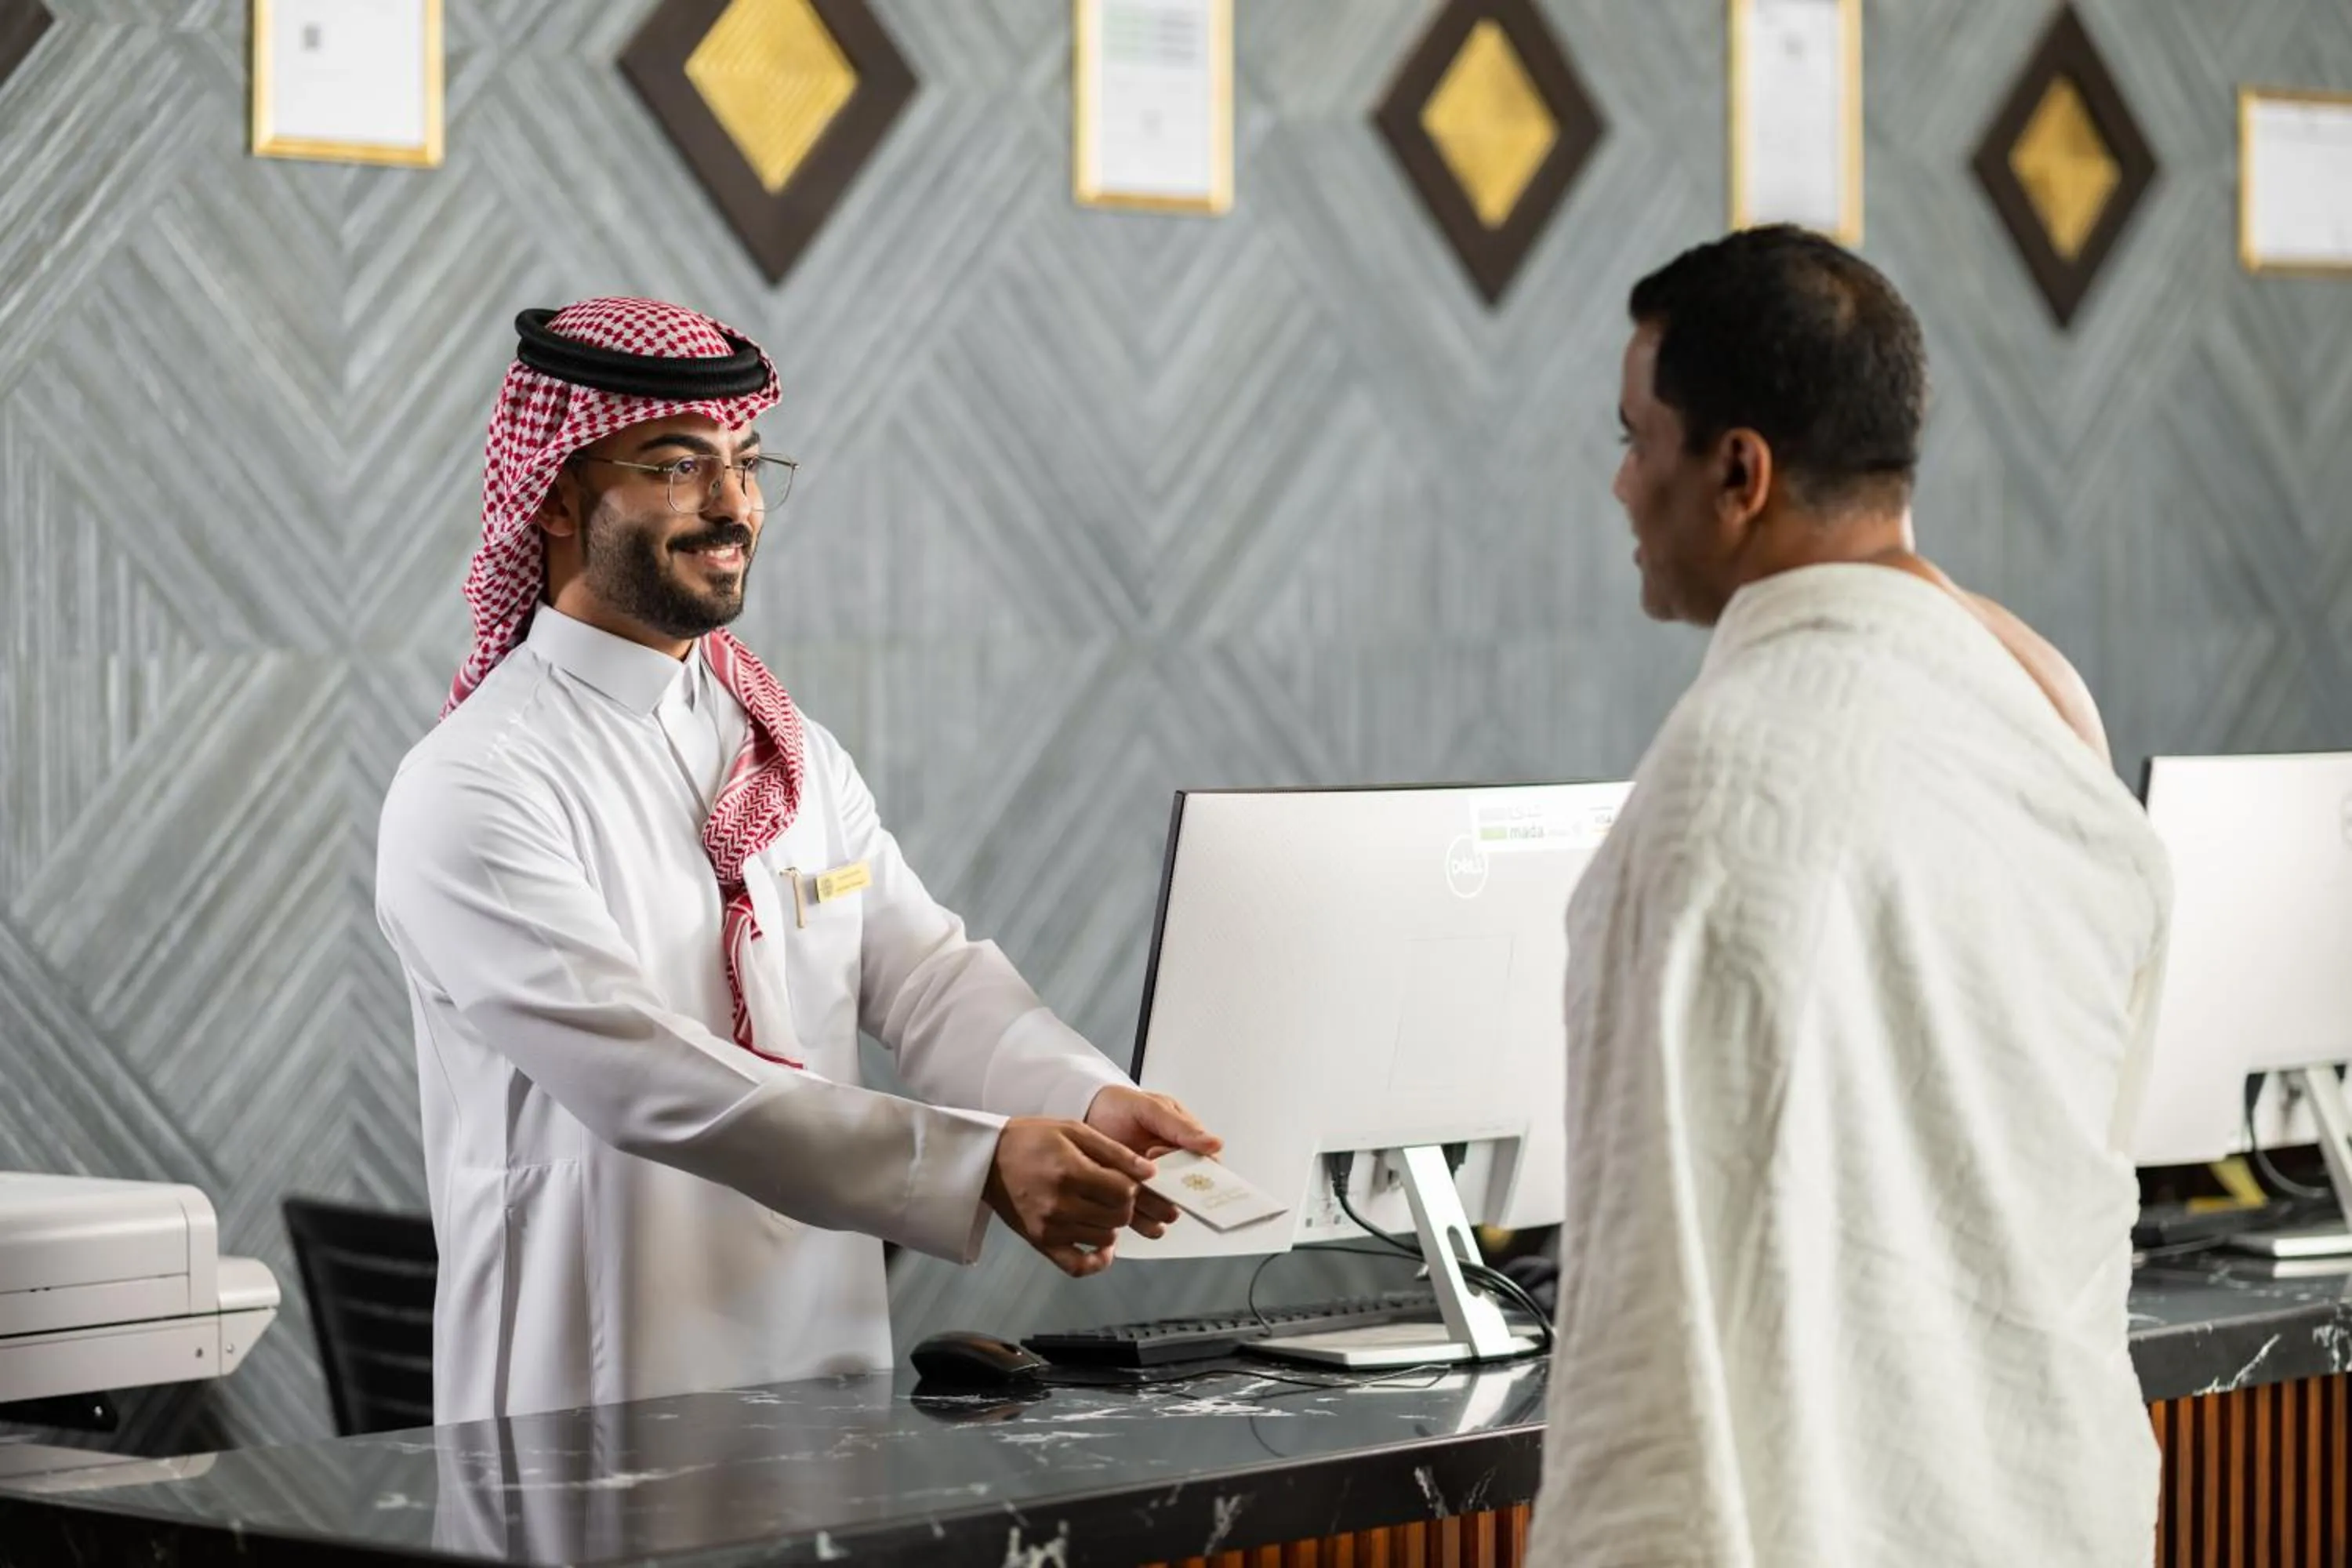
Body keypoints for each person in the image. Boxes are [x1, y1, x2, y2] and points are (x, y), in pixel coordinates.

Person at [376, 299, 1218, 1423]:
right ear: (561, 498)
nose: (733, 505)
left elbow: (923, 975)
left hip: (827, 1377)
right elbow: (647, 1076)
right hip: (590, 1399)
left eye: (747, 461)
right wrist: (977, 1165)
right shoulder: (476, 783)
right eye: (679, 466)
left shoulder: (784, 748)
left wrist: (1084, 1098)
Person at [1528, 229, 2168, 1566]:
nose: (1617, 480)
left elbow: (1651, 1344)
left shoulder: (1721, 784)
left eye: (1640, 438)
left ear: (1739, 472)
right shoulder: (2048, 706)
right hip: (2057, 1506)